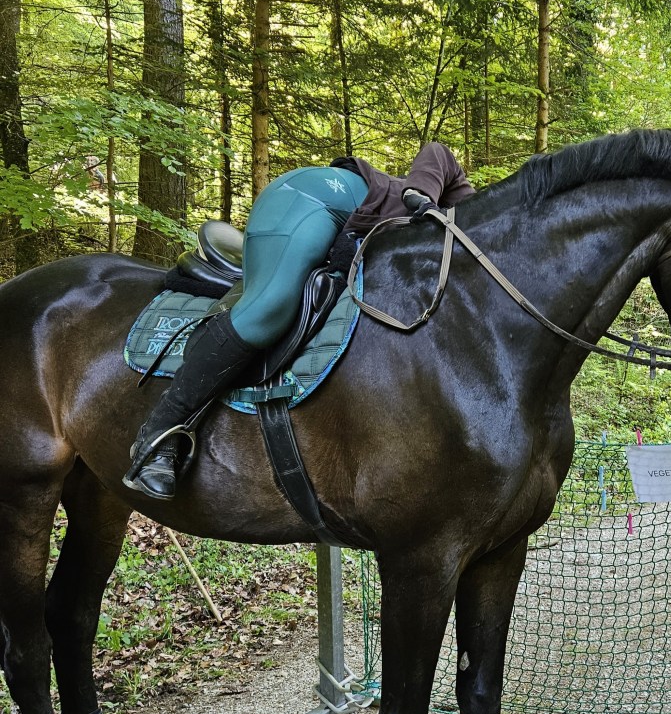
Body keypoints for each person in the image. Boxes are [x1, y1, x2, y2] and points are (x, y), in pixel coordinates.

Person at [123, 142, 475, 500]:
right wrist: (421, 195)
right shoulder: (471, 213)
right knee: (269, 308)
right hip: (319, 197)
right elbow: (439, 153)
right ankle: (158, 434)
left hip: (344, 222)